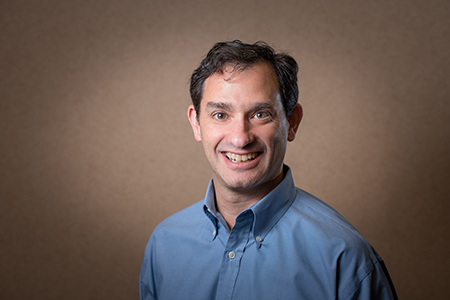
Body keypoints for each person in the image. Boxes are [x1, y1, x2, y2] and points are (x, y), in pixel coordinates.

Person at [139, 40, 398, 300]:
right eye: (220, 115)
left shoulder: (345, 258)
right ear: (196, 123)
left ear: (292, 122)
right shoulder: (164, 244)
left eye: (260, 114)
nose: (240, 139)